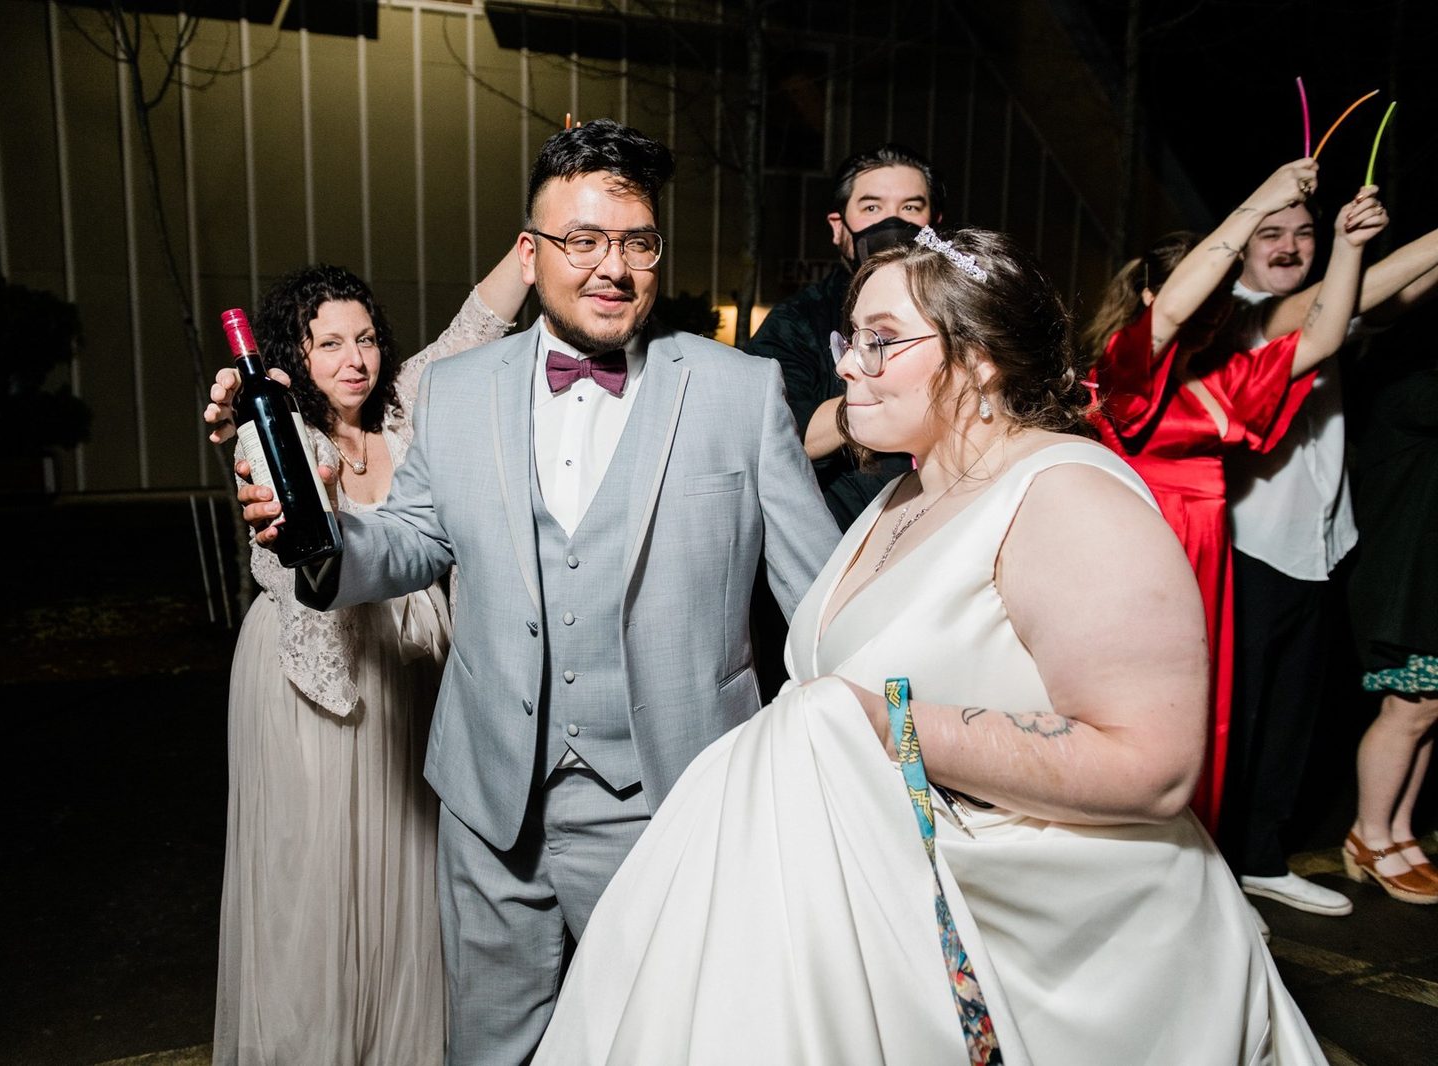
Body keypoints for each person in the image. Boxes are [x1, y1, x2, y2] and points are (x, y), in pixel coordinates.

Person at [531, 229, 1324, 1065]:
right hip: (894, 916)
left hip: (1062, 957)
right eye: (852, 339)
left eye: (882, 341)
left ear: (978, 359)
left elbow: (1153, 765)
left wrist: (877, 723)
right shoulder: (903, 491)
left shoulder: (1068, 498)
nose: (846, 365)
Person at [208, 119, 839, 1063]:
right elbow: (416, 538)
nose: (611, 267)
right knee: (488, 1047)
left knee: (671, 1040)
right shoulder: (458, 390)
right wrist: (324, 539)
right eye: (581, 241)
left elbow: (823, 602)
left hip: (669, 801)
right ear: (533, 250)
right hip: (486, 800)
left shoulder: (736, 391)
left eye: (636, 241)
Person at [207, 255, 529, 1065]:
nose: (355, 360)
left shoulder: (410, 405)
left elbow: (479, 321)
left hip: (411, 674)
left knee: (410, 877)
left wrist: (539, 241)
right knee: (312, 887)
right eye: (329, 345)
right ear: (293, 355)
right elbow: (283, 527)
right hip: (307, 682)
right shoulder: (276, 426)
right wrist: (246, 428)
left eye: (367, 339)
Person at [1079, 158, 1386, 832]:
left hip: (1210, 563)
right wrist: (1259, 199)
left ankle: (1195, 869)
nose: (1217, 307)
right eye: (1205, 290)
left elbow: (1324, 335)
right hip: (1144, 561)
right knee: (1135, 720)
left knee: (1206, 720)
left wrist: (1351, 247)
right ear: (1161, 295)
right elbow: (1172, 314)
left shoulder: (1226, 379)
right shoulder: (1125, 369)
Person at [1223, 207, 1438, 916]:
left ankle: (1260, 859)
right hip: (1248, 544)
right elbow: (1339, 302)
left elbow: (1393, 295)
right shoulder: (1240, 315)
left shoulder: (1335, 307)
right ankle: (1216, 875)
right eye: (1271, 235)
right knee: (1239, 720)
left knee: (1291, 718)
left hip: (1317, 545)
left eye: (1303, 235)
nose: (1289, 247)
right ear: (1242, 247)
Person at [746, 142, 942, 530]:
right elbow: (775, 436)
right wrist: (879, 400)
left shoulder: (961, 315)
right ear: (838, 227)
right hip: (841, 541)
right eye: (872, 208)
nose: (893, 222)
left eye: (910, 208)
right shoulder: (796, 322)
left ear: (933, 223)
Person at [1342, 343, 1438, 904]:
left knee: (1428, 709)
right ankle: (1367, 835)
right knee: (1408, 707)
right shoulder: (1410, 388)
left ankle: (1398, 832)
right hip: (1404, 579)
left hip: (1423, 577)